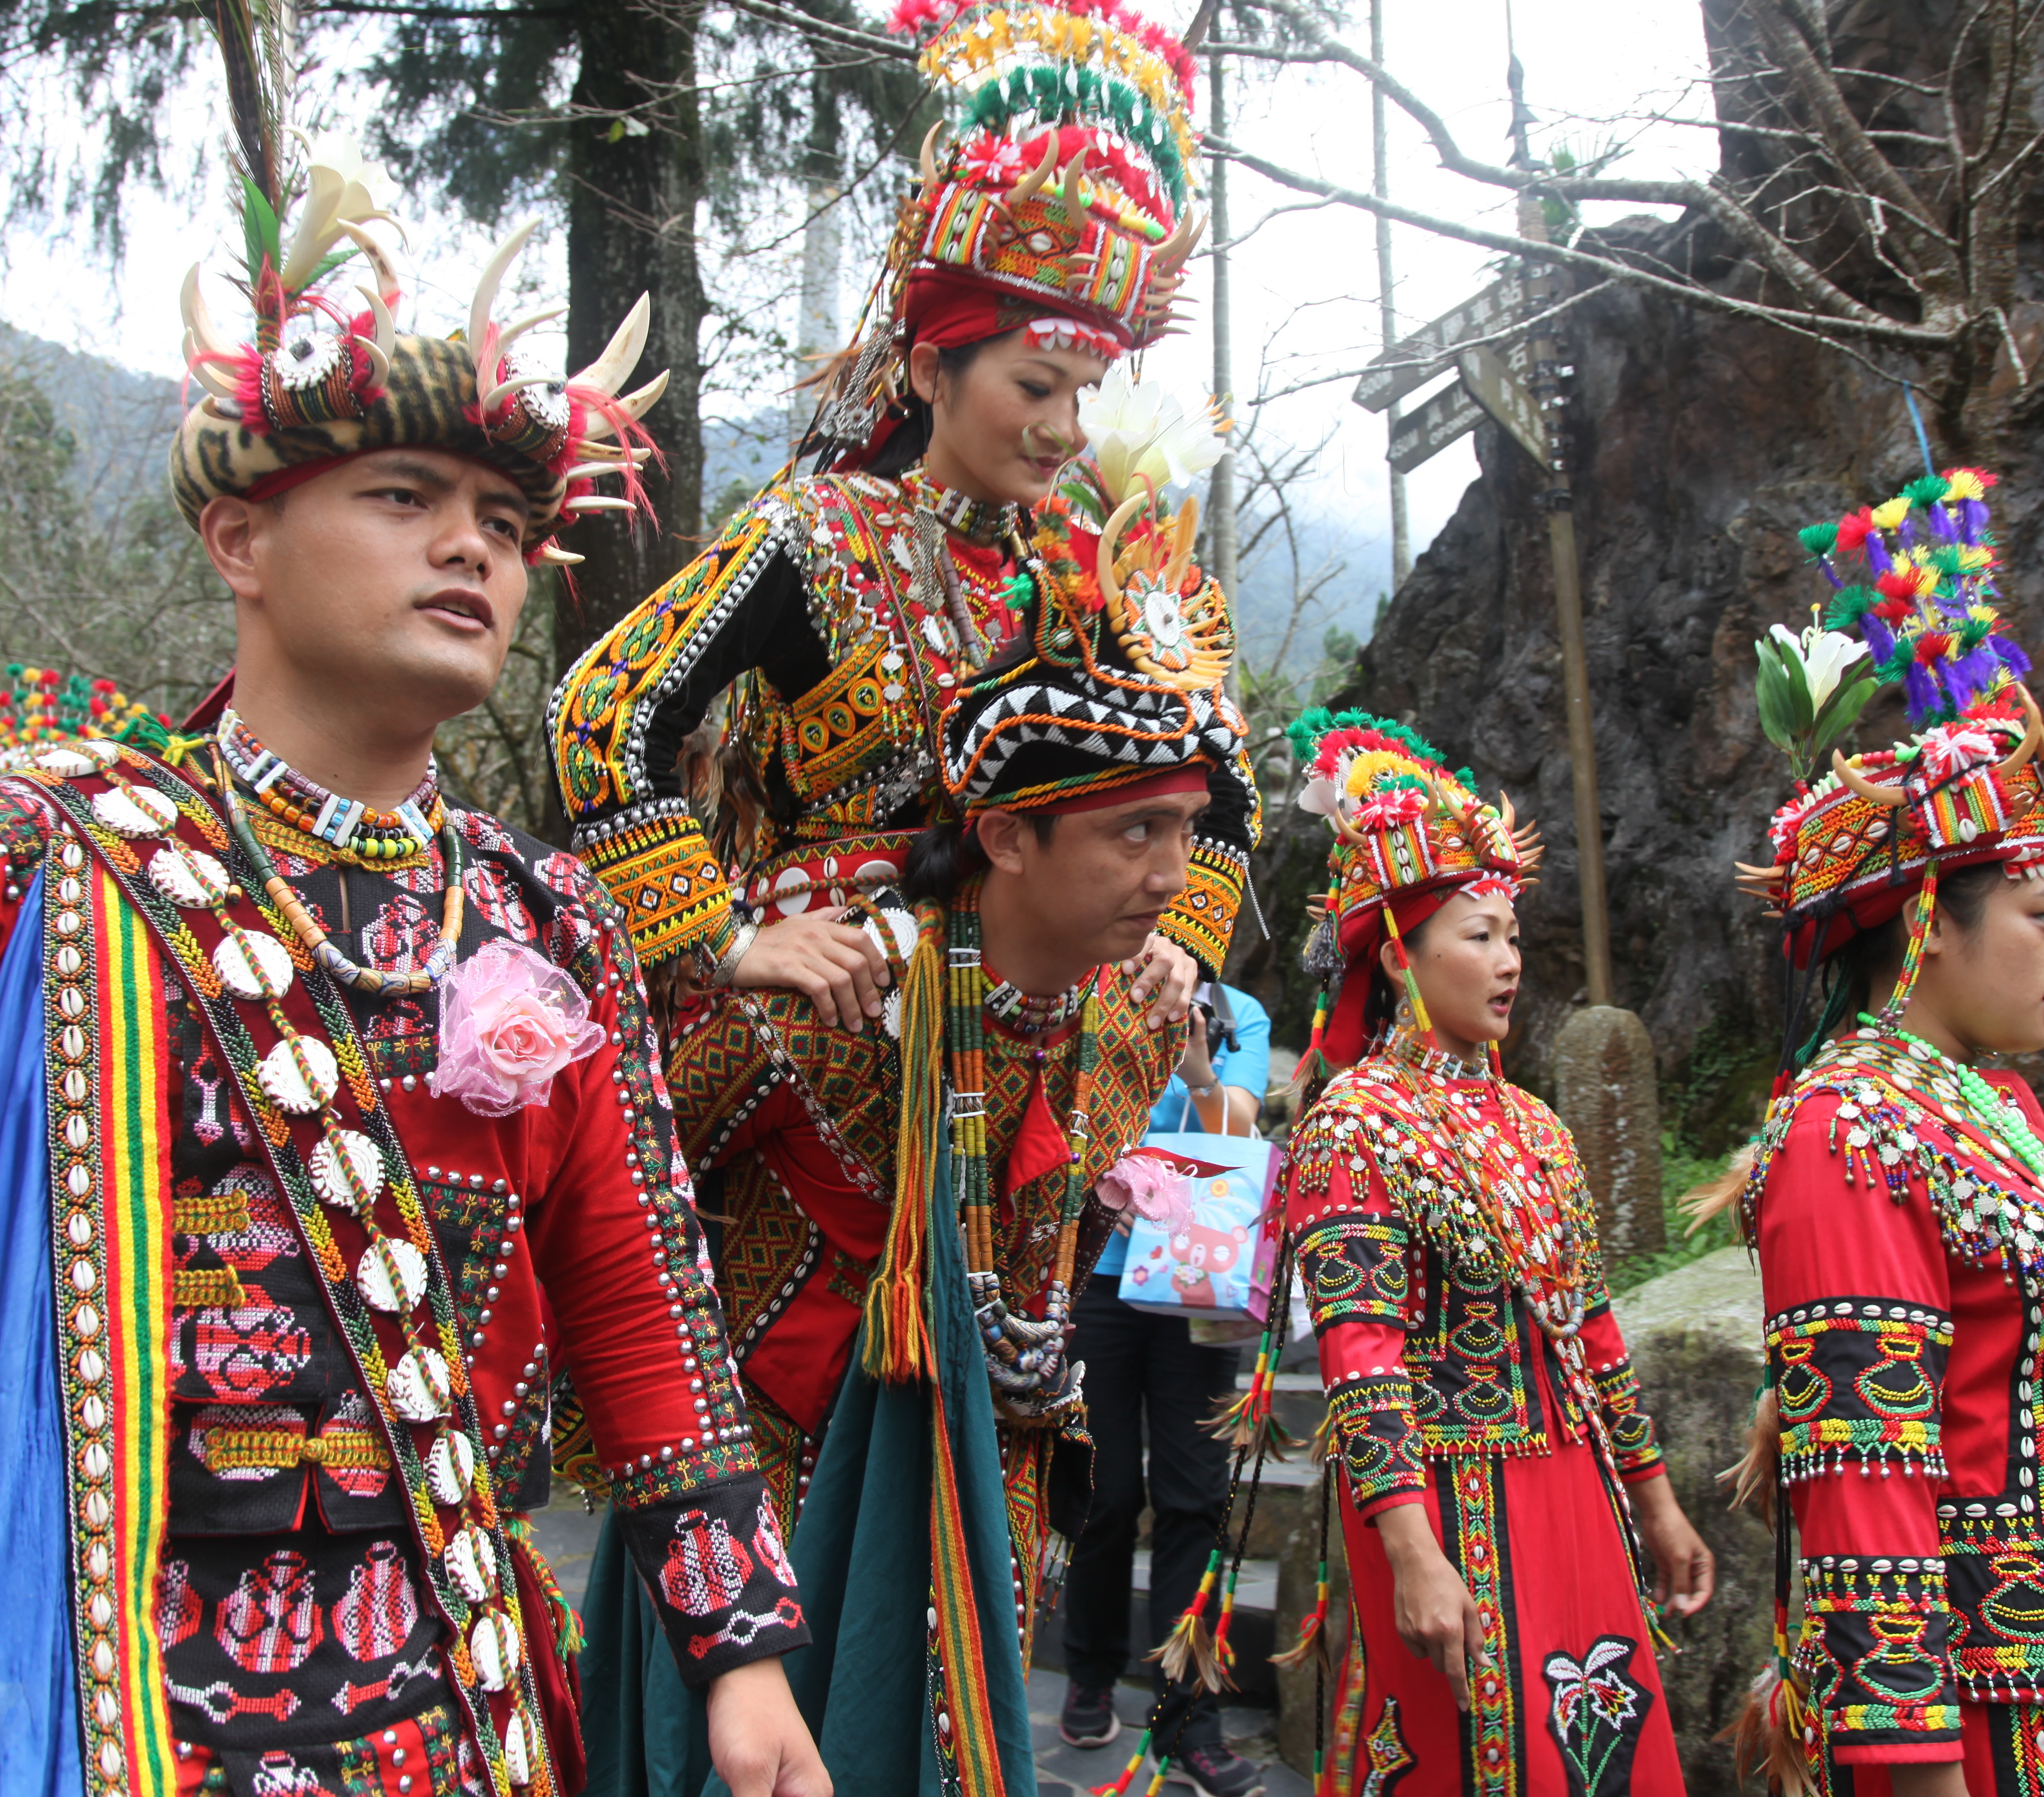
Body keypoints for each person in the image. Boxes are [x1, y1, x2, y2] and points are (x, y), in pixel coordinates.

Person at [0, 114, 823, 1796]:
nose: (474, 547)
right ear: (240, 541)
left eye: (507, 522)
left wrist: (742, 1655)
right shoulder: (2, 870)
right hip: (71, 1710)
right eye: (404, 496)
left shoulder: (547, 921)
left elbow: (638, 1300)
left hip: (451, 1718)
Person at [580, 474, 1254, 1797]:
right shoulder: (833, 999)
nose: (1177, 879)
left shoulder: (1128, 1024)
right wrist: (718, 942)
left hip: (991, 1486)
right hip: (775, 1483)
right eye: (1137, 830)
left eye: (1186, 830)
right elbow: (618, 1201)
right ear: (1005, 835)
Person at [551, 0, 1234, 1033]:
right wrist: (720, 936)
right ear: (929, 374)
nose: (1065, 429)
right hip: (835, 1038)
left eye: (1087, 394)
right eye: (1035, 387)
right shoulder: (820, 534)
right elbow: (606, 709)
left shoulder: (1096, 564)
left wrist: (1183, 930)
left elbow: (1216, 763)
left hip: (1040, 1041)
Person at [1711, 470, 2044, 1796]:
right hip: (1994, 1725)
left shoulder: (1999, 1116)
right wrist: (1914, 1766)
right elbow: (1863, 1468)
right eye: (2040, 917)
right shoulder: (1849, 1130)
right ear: (1927, 927)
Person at [1274, 710, 1714, 1796]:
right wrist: (1413, 1550)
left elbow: (1594, 1331)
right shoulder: (1356, 1125)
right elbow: (1362, 1361)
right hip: (1448, 1504)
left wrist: (1656, 1501)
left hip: (1573, 1487)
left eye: (1513, 937)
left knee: (1599, 1756)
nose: (1510, 962)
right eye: (1479, 937)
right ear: (1399, 956)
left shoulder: (1535, 1127)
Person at [1054, 983, 1270, 1793]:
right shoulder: (1090, 989)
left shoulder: (1236, 1012)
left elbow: (1238, 1133)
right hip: (1097, 1278)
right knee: (1102, 1493)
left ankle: (1189, 1719)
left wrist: (1198, 1068)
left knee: (1195, 1498)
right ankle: (1090, 1672)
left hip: (1199, 1279)